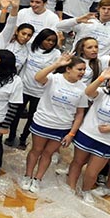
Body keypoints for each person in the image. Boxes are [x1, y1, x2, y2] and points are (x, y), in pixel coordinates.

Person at [21, 54, 87, 196]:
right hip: (43, 121)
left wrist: (71, 134)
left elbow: (80, 114)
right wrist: (56, 64)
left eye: (84, 70)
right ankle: (27, 175)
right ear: (68, 69)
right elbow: (38, 77)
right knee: (36, 150)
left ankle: (37, 179)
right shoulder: (54, 79)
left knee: (48, 153)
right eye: (79, 69)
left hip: (62, 127)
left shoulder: (83, 88)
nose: (82, 72)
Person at [66, 68, 110, 202]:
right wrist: (101, 78)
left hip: (107, 141)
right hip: (87, 134)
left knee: (92, 171)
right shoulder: (103, 92)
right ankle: (70, 188)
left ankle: (86, 190)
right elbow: (88, 92)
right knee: (77, 162)